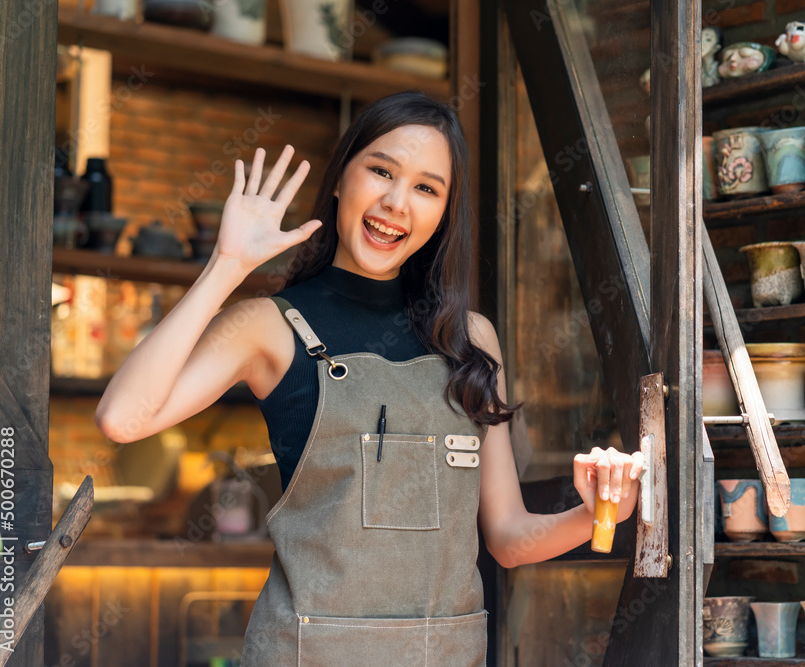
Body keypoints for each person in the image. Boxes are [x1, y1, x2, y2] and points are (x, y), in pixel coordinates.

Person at [95, 91, 644, 666]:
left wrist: (598, 513)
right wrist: (227, 265)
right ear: (340, 179)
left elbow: (506, 539)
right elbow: (121, 419)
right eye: (381, 170)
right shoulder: (269, 326)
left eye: (427, 188)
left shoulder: (471, 342)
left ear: (443, 213)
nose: (396, 202)